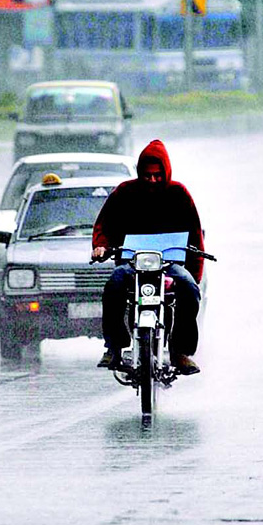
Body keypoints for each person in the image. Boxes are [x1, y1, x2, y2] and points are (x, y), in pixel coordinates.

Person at [91, 139, 205, 375]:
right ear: (140, 173)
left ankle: (180, 352)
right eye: (147, 175)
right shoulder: (124, 193)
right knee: (114, 285)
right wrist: (101, 246)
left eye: (157, 175)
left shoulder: (179, 194)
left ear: (166, 172)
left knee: (190, 289)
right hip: (132, 263)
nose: (152, 180)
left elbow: (195, 235)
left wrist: (194, 275)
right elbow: (104, 225)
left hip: (170, 264)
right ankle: (114, 346)